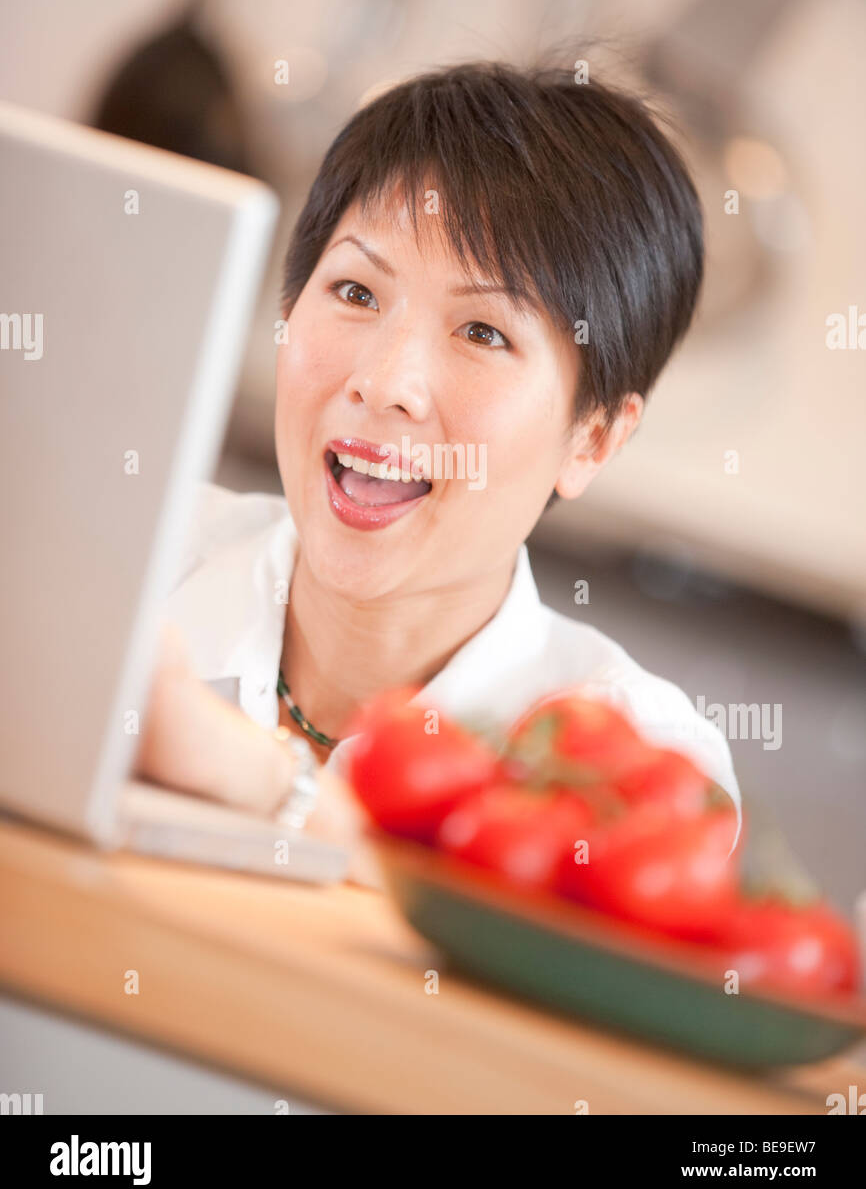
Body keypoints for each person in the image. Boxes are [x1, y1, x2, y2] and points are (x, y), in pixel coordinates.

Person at [137, 58, 742, 883]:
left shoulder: (636, 761)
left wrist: (272, 787)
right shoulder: (128, 556)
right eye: (355, 291)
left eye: (484, 333)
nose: (385, 384)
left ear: (593, 439)